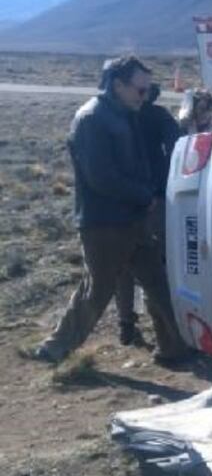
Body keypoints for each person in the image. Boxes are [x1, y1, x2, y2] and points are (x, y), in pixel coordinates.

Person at [34, 55, 189, 366]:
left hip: (133, 219)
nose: (145, 97)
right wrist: (144, 195)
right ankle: (54, 349)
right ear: (118, 85)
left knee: (158, 283)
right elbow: (101, 177)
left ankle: (176, 348)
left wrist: (146, 196)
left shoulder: (124, 113)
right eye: (140, 90)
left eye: (148, 90)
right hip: (104, 224)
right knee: (97, 291)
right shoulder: (92, 119)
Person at [114, 82, 180, 345]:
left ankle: (126, 322)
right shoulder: (159, 116)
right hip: (155, 198)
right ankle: (168, 329)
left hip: (122, 201)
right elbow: (177, 145)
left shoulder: (114, 117)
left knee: (125, 265)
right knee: (158, 263)